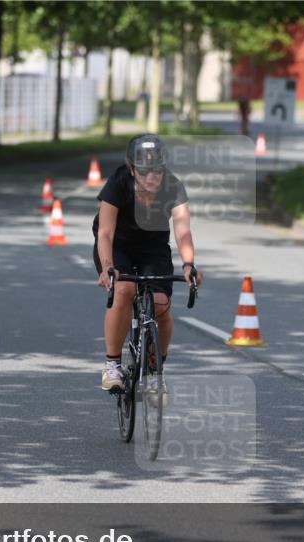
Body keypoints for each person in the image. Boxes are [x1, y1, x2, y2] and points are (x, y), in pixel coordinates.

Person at [93, 134, 203, 404]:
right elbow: (105, 233)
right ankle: (112, 366)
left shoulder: (173, 187)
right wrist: (107, 267)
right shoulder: (118, 183)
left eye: (157, 170)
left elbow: (183, 231)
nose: (151, 176)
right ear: (132, 169)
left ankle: (155, 373)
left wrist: (189, 264)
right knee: (124, 289)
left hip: (152, 247)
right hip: (117, 245)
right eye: (144, 171)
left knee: (161, 304)